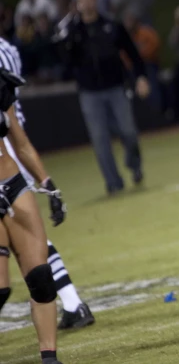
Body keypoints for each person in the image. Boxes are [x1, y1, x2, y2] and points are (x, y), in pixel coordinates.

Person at [0, 37, 94, 330]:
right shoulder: (9, 48)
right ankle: (71, 302)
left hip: (7, 145)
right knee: (28, 235)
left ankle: (72, 303)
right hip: (12, 138)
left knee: (26, 235)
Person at [0, 68, 67, 364]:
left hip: (11, 183)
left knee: (41, 278)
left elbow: (19, 141)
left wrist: (47, 183)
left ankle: (49, 359)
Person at [56, 0, 150, 195]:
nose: (84, 3)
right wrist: (67, 39)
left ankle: (134, 166)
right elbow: (66, 63)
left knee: (129, 131)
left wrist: (141, 77)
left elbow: (133, 54)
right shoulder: (72, 30)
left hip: (116, 86)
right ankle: (113, 183)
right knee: (100, 139)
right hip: (90, 92)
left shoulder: (111, 24)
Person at [123, 12, 162, 110]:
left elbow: (155, 45)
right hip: (132, 68)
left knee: (152, 87)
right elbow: (122, 54)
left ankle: (157, 111)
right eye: (127, 22)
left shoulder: (146, 32)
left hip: (149, 64)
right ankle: (141, 114)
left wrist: (139, 56)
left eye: (131, 21)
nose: (129, 24)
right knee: (131, 89)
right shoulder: (125, 36)